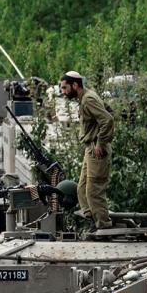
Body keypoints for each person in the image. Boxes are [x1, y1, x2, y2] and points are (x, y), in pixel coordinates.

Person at [59, 71, 115, 230]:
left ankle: (103, 226)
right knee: (82, 189)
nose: (63, 92)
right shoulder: (86, 97)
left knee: (93, 191)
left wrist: (100, 142)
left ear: (75, 85)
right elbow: (108, 110)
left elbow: (108, 119)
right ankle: (92, 220)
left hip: (97, 151)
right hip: (90, 149)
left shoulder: (88, 99)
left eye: (65, 88)